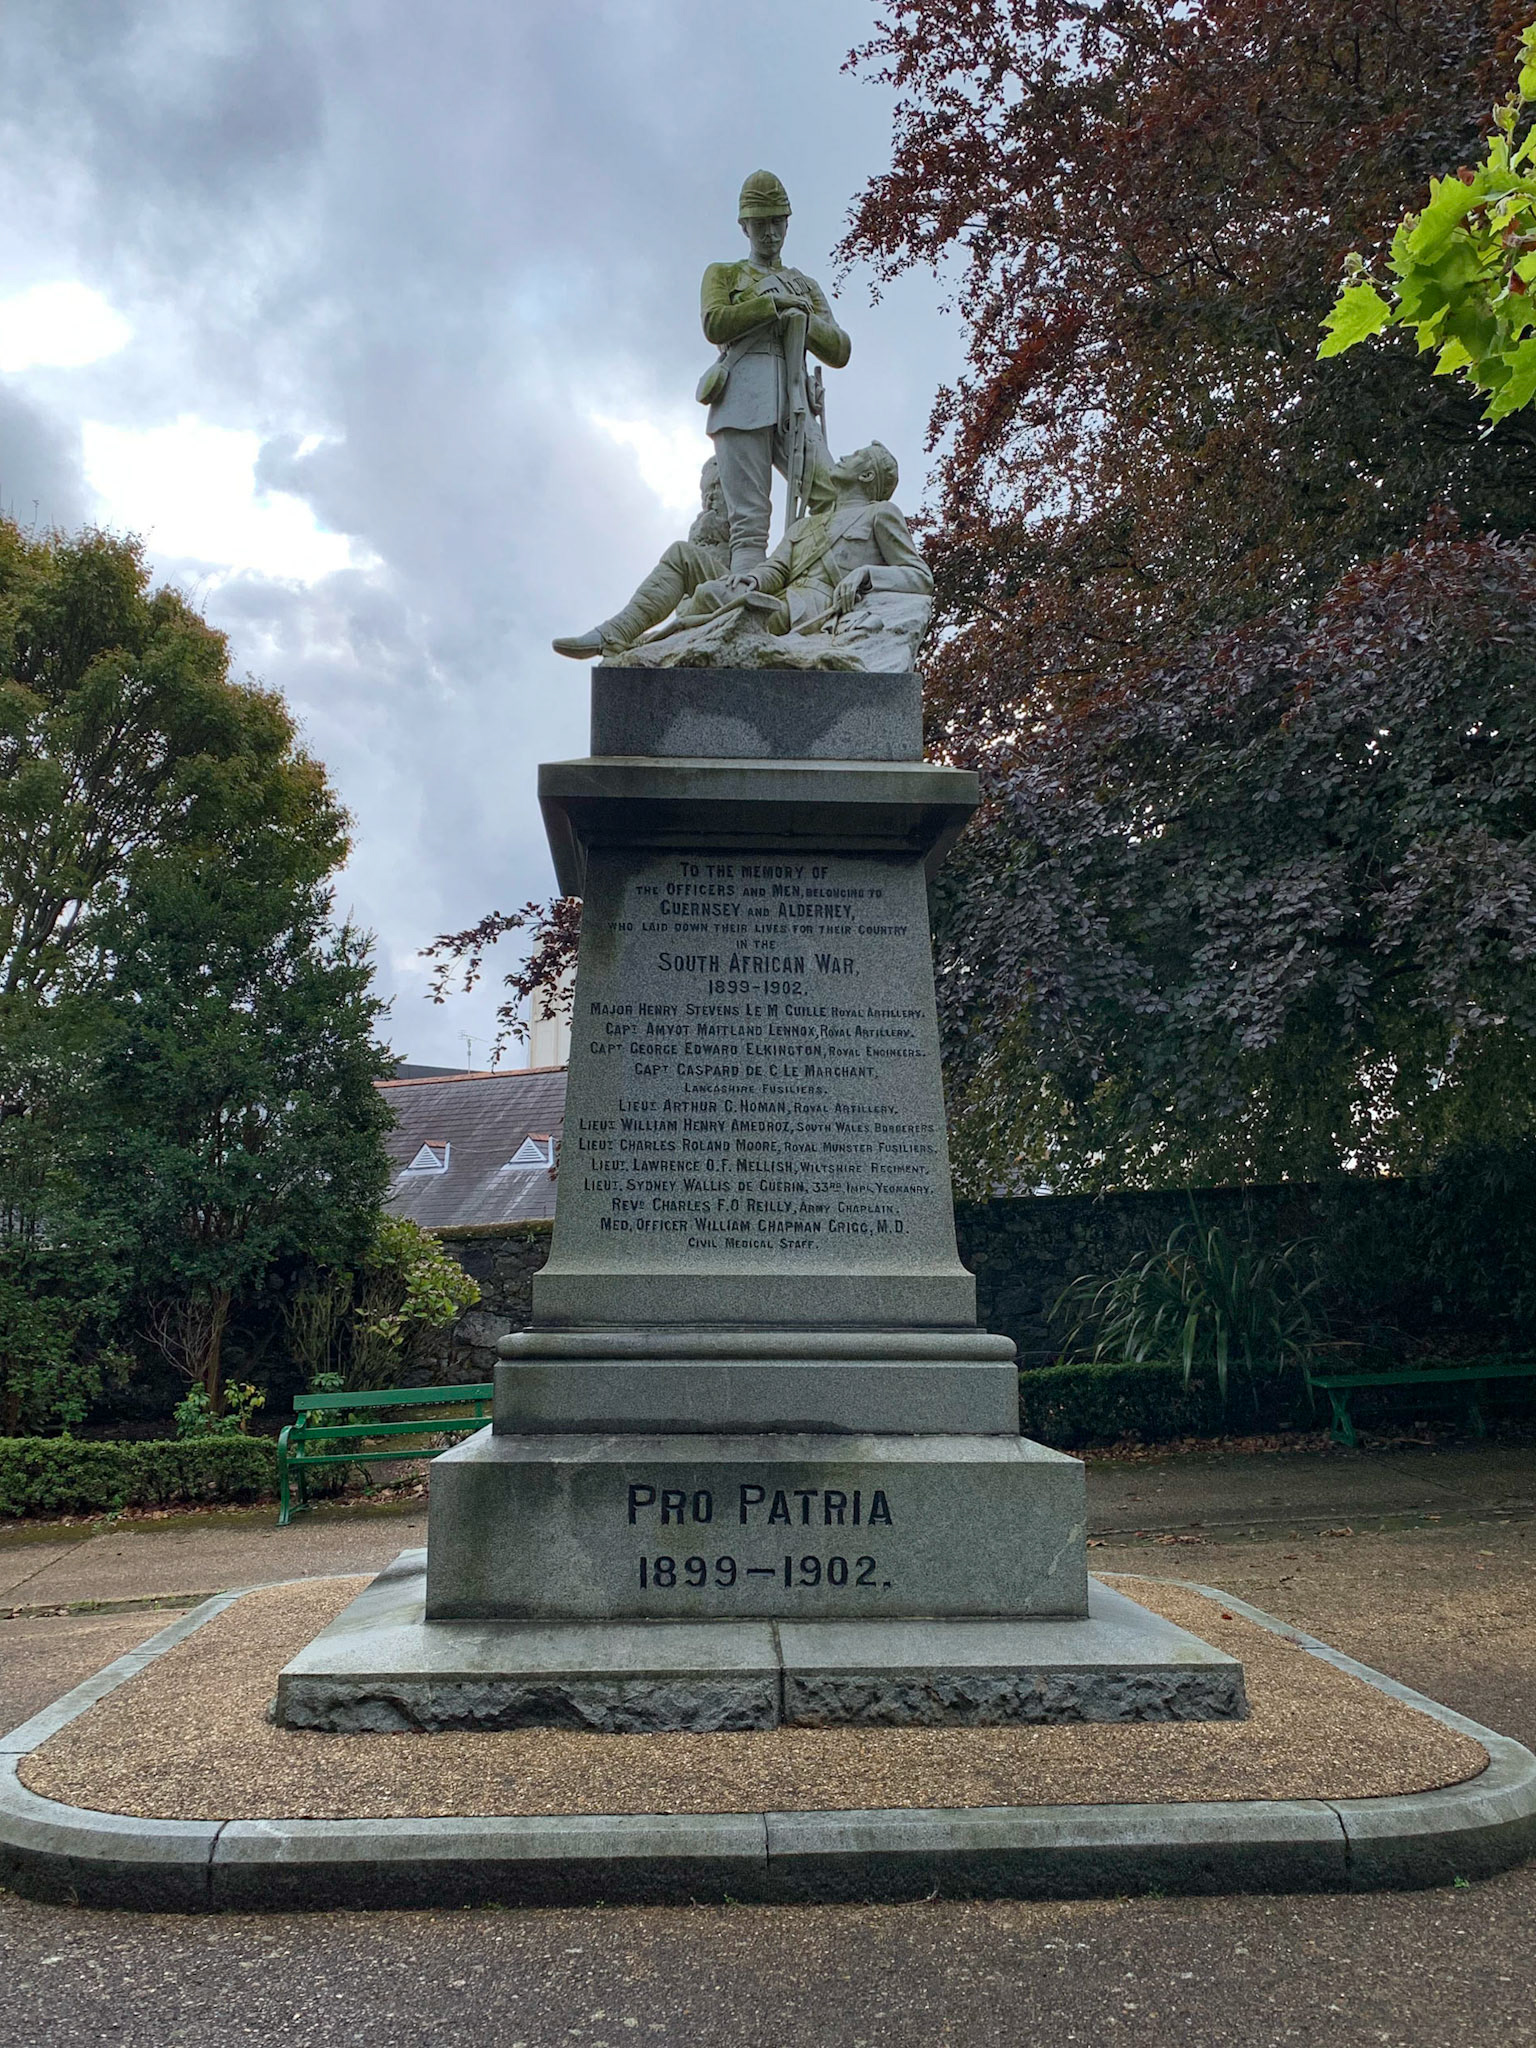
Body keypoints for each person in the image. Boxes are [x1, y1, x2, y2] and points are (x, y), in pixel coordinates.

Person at [698, 170, 850, 572]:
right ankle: (744, 607)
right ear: (744, 225)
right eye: (761, 223)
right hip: (742, 394)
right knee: (748, 524)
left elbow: (839, 348)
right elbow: (714, 322)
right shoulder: (725, 274)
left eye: (777, 221)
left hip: (794, 399)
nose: (770, 233)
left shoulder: (804, 285)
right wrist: (770, 306)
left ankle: (807, 584)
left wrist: (801, 313)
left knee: (834, 495)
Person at [551, 458, 729, 659]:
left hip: (763, 600)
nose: (710, 499)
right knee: (643, 646)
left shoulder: (739, 520)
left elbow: (756, 563)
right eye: (707, 493)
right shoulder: (706, 527)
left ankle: (617, 632)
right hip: (724, 598)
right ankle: (622, 637)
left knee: (681, 554)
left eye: (717, 489)